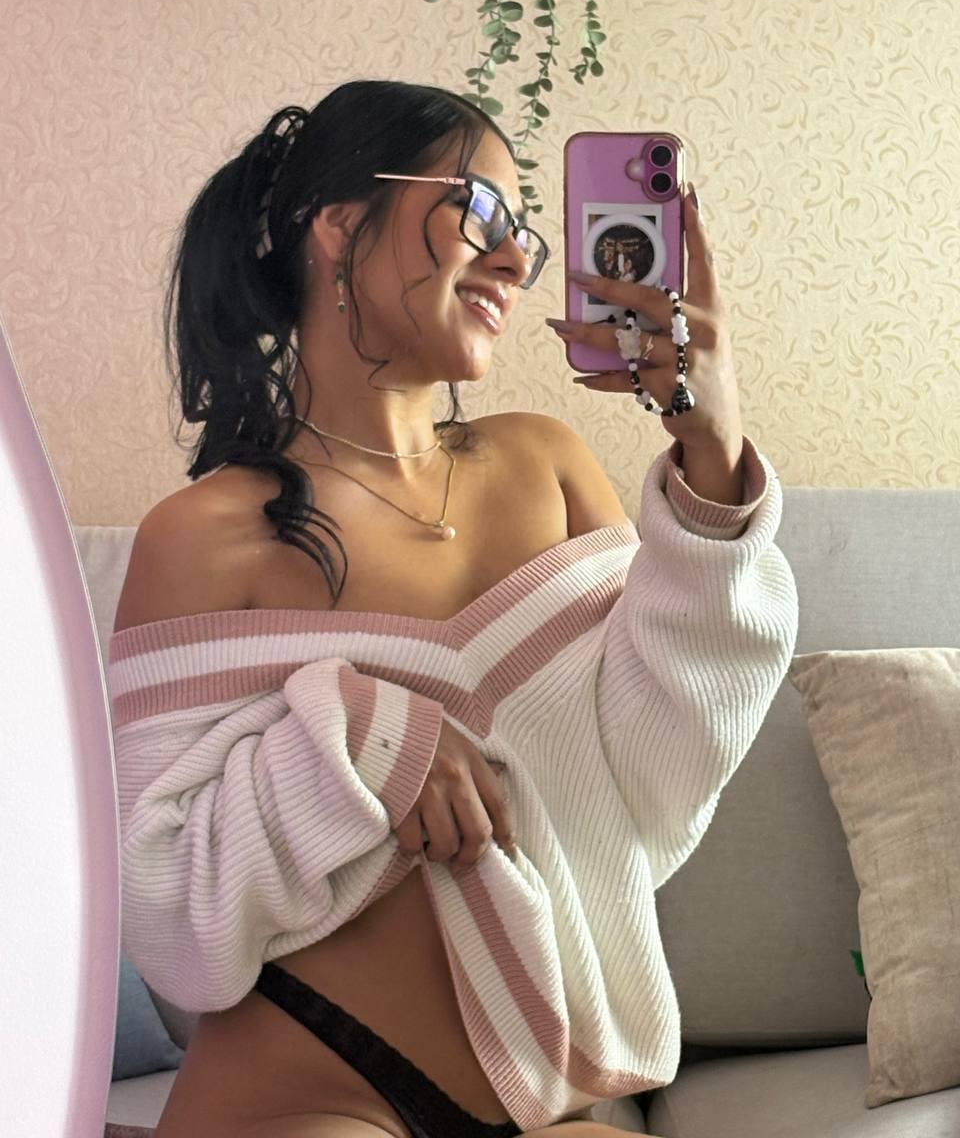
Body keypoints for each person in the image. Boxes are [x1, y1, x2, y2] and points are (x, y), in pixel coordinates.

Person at [108, 79, 798, 1138]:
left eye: (524, 230)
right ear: (338, 225)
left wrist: (712, 456)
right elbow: (162, 904)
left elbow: (655, 782)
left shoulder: (547, 465)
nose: (517, 260)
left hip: (555, 1094)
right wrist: (367, 741)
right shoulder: (202, 536)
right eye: (479, 210)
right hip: (305, 1082)